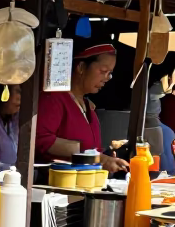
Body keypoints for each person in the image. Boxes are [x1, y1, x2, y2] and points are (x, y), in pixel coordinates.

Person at [35, 43, 128, 173]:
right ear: (81, 67)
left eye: (109, 73)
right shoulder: (54, 98)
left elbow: (95, 150)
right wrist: (99, 159)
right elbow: (40, 140)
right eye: (103, 71)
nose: (106, 78)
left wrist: (106, 157)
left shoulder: (87, 105)